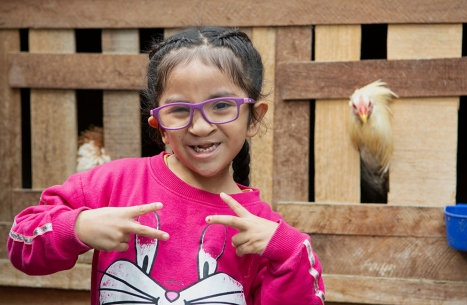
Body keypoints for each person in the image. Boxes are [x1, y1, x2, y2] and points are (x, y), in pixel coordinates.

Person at [7, 26, 325, 305]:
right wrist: (79, 227)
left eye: (222, 105)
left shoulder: (260, 230)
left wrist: (287, 251)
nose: (200, 127)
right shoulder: (114, 184)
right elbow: (21, 242)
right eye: (178, 109)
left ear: (254, 118)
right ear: (159, 126)